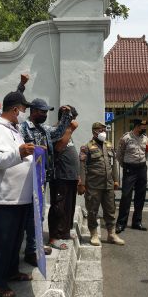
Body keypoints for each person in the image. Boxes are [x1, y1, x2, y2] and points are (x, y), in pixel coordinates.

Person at [0, 91, 35, 297]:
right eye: (23, 109)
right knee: (1, 241)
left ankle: (11, 271)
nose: (24, 113)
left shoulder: (13, 129)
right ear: (15, 109)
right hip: (4, 197)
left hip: (19, 196)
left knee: (15, 239)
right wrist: (21, 153)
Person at [19, 97, 73, 258]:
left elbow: (58, 133)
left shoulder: (43, 129)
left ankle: (34, 247)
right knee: (32, 214)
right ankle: (32, 248)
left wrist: (65, 116)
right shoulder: (23, 128)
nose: (44, 115)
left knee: (38, 213)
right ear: (33, 111)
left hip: (42, 178)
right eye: (42, 112)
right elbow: (20, 148)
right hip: (27, 178)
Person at [78, 122, 125, 246]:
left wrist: (116, 180)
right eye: (100, 130)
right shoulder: (86, 147)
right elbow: (82, 166)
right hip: (93, 185)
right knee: (92, 211)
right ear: (94, 132)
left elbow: (113, 164)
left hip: (108, 184)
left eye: (104, 130)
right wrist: (82, 183)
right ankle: (93, 234)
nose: (103, 133)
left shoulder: (109, 145)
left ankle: (111, 234)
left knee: (110, 210)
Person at [49, 105, 80, 249]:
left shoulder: (67, 131)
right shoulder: (57, 130)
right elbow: (58, 148)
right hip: (60, 175)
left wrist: (77, 175)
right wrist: (70, 129)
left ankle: (65, 231)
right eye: (72, 117)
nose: (74, 120)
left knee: (69, 206)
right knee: (59, 206)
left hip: (70, 176)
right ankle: (54, 236)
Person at [116, 118, 148, 233]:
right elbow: (119, 154)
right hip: (130, 169)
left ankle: (137, 222)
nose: (144, 128)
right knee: (126, 196)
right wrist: (124, 165)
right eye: (142, 127)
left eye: (145, 127)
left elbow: (146, 151)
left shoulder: (145, 138)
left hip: (142, 168)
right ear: (136, 126)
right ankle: (121, 223)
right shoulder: (126, 138)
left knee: (140, 196)